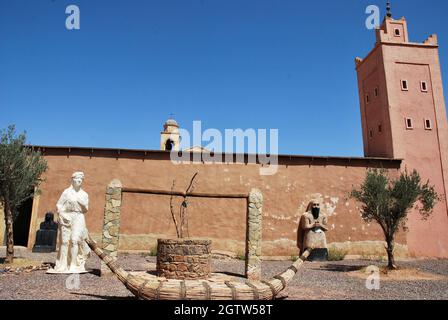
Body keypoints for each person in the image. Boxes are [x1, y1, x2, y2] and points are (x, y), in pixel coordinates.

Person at [48, 172, 91, 273]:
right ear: (72, 179)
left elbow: (86, 210)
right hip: (67, 216)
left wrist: (81, 202)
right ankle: (63, 264)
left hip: (79, 216)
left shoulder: (84, 194)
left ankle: (73, 264)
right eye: (77, 178)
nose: (79, 180)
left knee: (75, 240)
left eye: (81, 179)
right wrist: (62, 214)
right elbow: (59, 205)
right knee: (65, 241)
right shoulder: (66, 192)